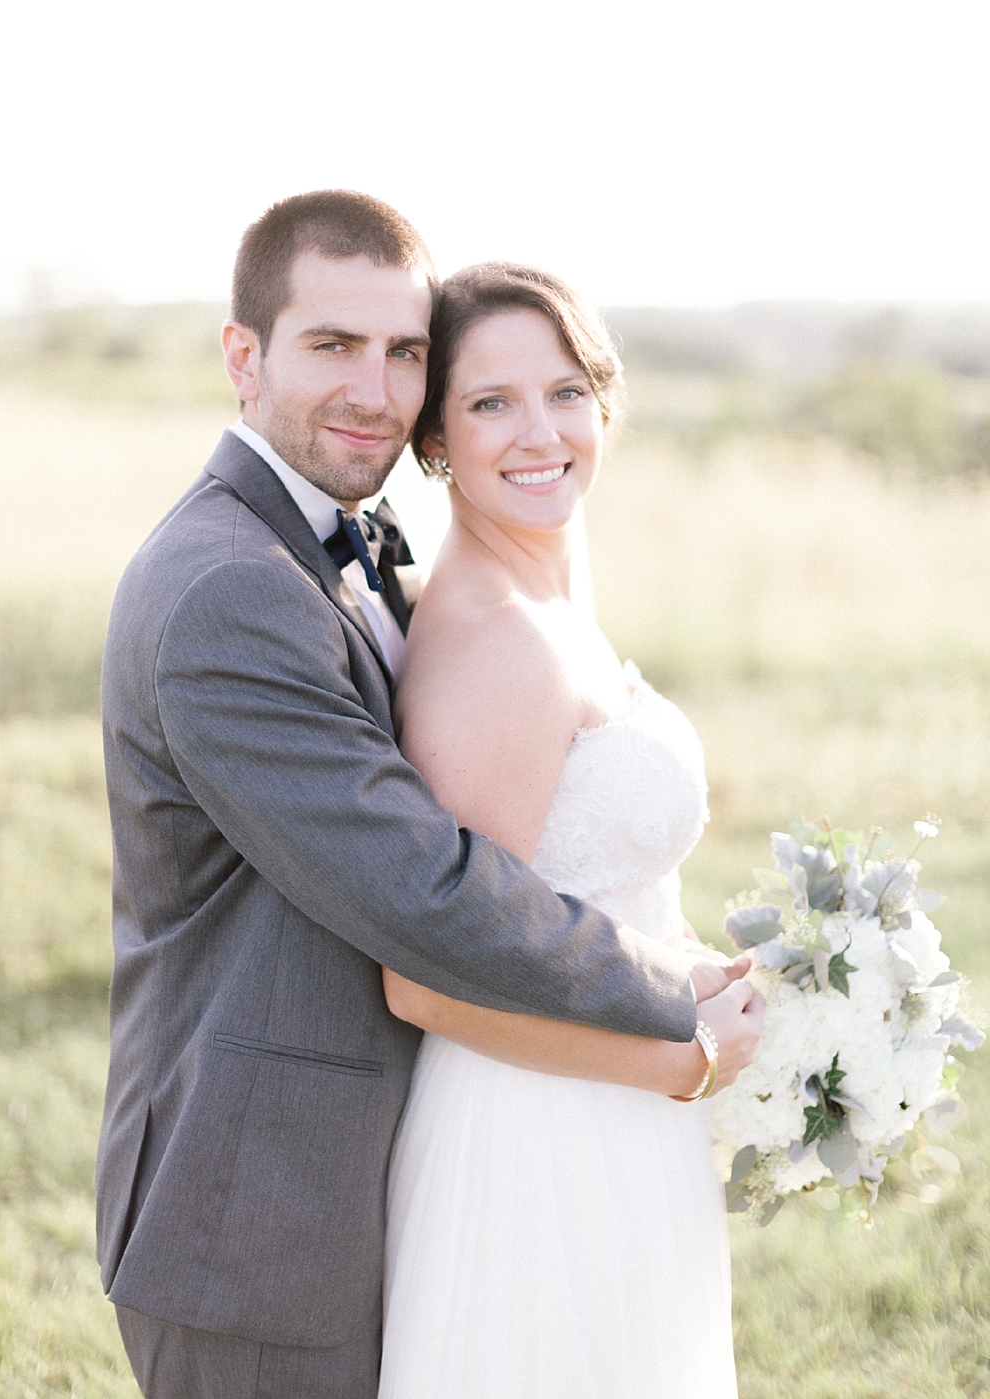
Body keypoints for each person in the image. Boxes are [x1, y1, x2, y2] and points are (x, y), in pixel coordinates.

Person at [94, 191, 763, 1397]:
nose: (372, 387)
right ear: (242, 357)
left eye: (401, 351)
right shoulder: (226, 591)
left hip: (360, 1165)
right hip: (250, 1206)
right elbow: (426, 892)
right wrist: (674, 1008)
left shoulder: (346, 546)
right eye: (330, 344)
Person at [377, 263, 748, 1396]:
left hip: (616, 1103)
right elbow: (430, 983)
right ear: (433, 438)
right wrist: (680, 1064)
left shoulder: (546, 593)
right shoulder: (496, 643)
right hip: (536, 1137)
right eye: (489, 402)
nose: (536, 431)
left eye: (563, 391)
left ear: (602, 402)